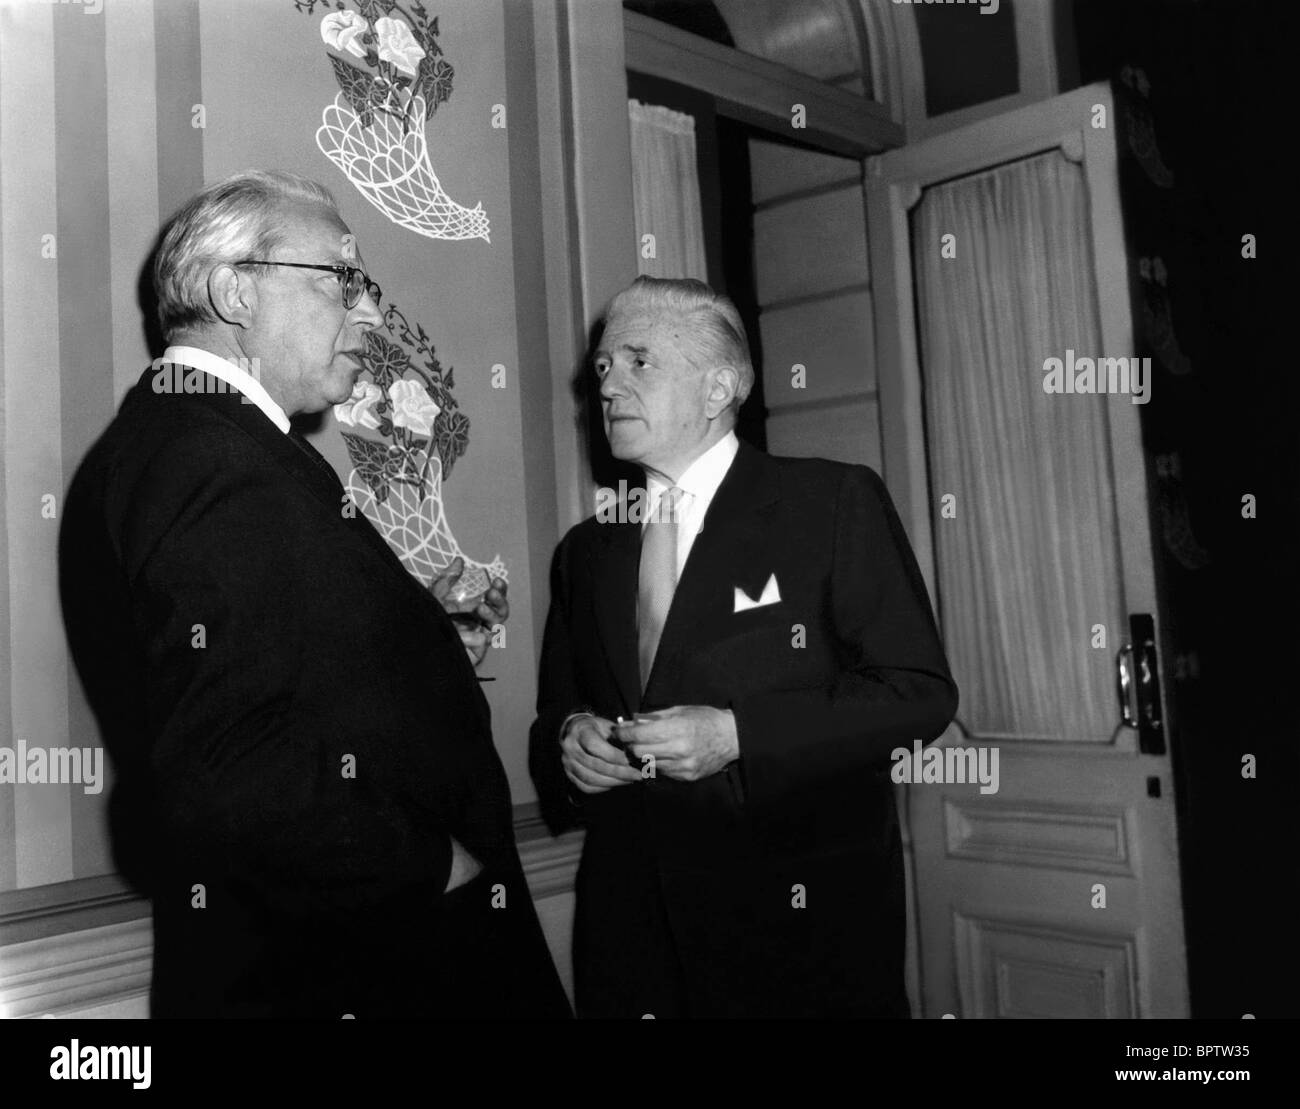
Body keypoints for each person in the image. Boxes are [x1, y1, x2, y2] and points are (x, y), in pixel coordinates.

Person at [60, 170, 569, 1018]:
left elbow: (277, 673)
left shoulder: (202, 440)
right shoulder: (209, 459)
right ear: (234, 291)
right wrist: (440, 869)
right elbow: (230, 769)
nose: (370, 312)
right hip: (365, 963)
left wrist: (416, 635)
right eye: (345, 278)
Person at [530, 276, 958, 1018]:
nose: (609, 386)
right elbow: (554, 715)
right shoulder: (585, 552)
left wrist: (738, 736)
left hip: (798, 941)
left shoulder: (829, 504)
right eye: (602, 368)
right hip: (633, 944)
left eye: (638, 361)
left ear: (719, 385)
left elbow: (918, 691)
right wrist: (571, 742)